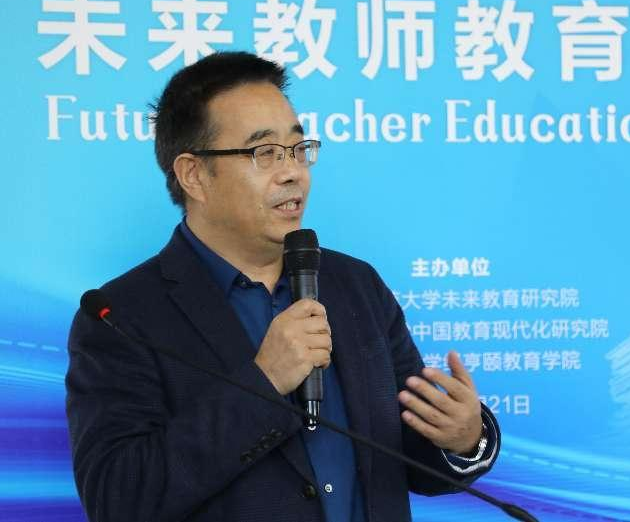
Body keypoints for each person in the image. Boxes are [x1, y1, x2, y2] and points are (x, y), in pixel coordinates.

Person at [66, 51, 500, 522]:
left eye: (298, 148)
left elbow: (410, 457)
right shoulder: (122, 317)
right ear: (194, 175)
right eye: (266, 153)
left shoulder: (356, 285)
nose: (293, 171)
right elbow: (119, 498)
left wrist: (462, 439)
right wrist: (264, 382)